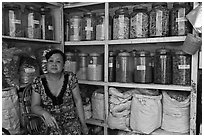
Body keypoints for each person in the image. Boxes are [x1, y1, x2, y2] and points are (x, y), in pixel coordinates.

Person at [31, 49, 88, 135]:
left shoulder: (70, 78)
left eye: (58, 61)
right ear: (47, 64)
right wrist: (45, 114)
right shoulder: (38, 81)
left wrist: (83, 124)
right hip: (50, 123)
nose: (54, 64)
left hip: (71, 122)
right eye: (51, 61)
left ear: (63, 65)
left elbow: (78, 100)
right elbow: (34, 106)